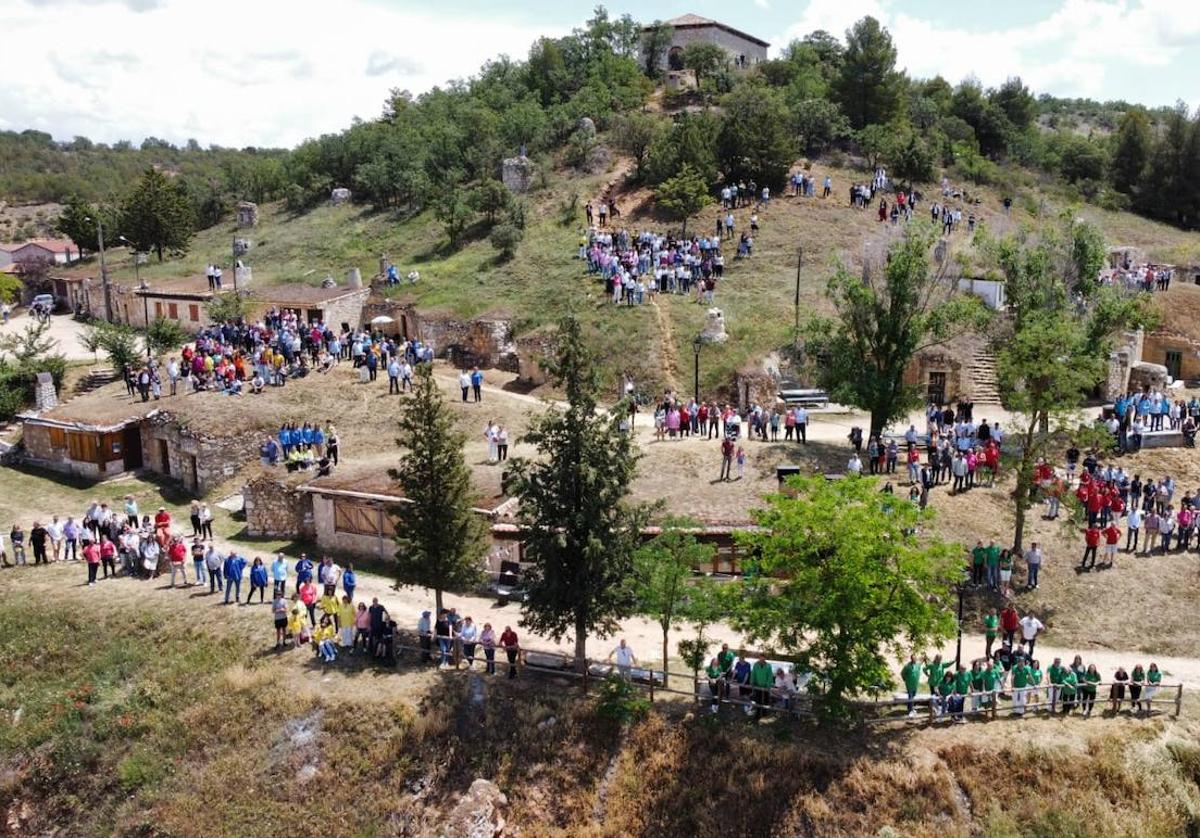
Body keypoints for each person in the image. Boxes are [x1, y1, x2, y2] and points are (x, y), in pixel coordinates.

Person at [749, 655, 774, 719]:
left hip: (765, 686)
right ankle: (757, 713)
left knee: (765, 700)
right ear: (759, 658)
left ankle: (764, 713)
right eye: (760, 658)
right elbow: (753, 673)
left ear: (765, 658)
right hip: (758, 685)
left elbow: (770, 676)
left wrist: (768, 685)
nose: (761, 660)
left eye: (763, 658)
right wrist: (752, 682)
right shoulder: (756, 665)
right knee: (757, 700)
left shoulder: (768, 666)